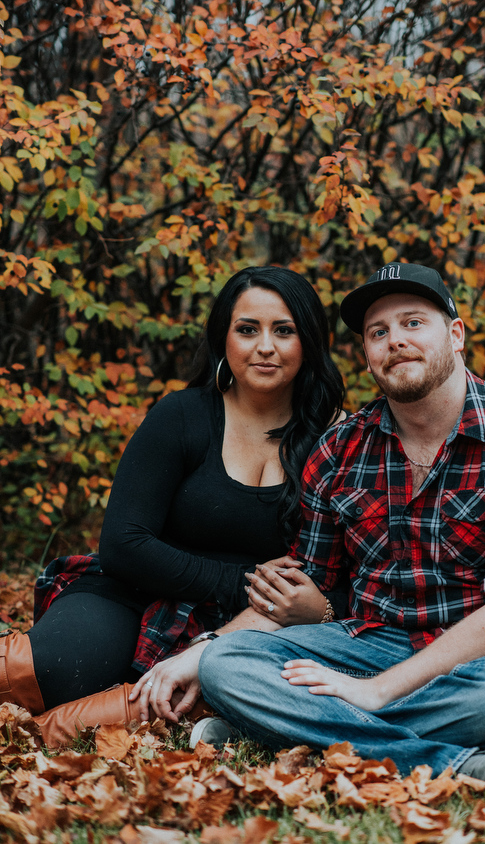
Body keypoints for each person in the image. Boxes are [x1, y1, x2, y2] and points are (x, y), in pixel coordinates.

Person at [194, 262, 485, 798]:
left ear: (456, 334)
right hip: (366, 641)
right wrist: (204, 652)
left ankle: (280, 731)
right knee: (228, 666)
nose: (396, 341)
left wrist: (375, 693)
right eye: (378, 332)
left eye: (414, 322)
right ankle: (452, 762)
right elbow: (313, 585)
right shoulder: (340, 449)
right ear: (368, 353)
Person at [0, 266, 345, 746]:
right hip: (133, 590)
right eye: (247, 329)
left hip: (243, 627)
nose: (265, 346)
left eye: (283, 330)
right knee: (59, 666)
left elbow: (340, 573)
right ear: (223, 338)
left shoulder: (337, 440)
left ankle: (34, 739)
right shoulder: (182, 415)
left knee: (158, 704)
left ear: (308, 340)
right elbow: (123, 544)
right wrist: (244, 580)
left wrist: (311, 608)